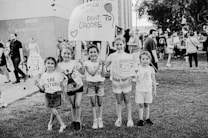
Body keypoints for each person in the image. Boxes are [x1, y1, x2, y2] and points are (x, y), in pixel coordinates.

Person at [106, 36, 134, 127]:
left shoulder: (129, 56)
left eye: (121, 44)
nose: (119, 46)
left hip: (126, 81)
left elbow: (133, 68)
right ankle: (119, 118)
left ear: (124, 45)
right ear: (114, 45)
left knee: (127, 100)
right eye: (117, 44)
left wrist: (132, 75)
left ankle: (129, 119)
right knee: (118, 101)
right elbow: (105, 66)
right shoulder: (111, 56)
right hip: (116, 81)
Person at [34, 57, 67, 133]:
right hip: (48, 95)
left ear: (55, 65)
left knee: (54, 111)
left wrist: (63, 93)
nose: (50, 65)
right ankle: (62, 124)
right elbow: (42, 89)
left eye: (52, 63)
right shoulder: (43, 76)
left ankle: (50, 124)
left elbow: (63, 83)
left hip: (57, 94)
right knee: (54, 111)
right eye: (48, 63)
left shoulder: (58, 74)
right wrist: (37, 85)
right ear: (45, 64)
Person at [57, 47, 85, 131]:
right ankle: (73, 120)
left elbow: (83, 72)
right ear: (61, 54)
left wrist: (82, 64)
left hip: (78, 85)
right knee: (73, 105)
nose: (66, 55)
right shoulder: (59, 65)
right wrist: (61, 89)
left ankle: (78, 121)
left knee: (78, 104)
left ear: (71, 54)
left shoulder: (75, 62)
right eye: (64, 53)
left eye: (68, 53)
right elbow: (60, 78)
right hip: (69, 88)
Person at [84, 45, 105, 129]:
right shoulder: (87, 63)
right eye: (91, 52)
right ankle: (95, 120)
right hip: (91, 84)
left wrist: (103, 65)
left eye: (94, 52)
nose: (93, 54)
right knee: (93, 103)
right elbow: (92, 73)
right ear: (88, 54)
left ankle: (100, 119)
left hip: (100, 84)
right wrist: (98, 65)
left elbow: (103, 74)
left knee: (100, 102)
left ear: (98, 53)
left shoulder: (101, 62)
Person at [135, 51, 156, 126]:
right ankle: (141, 119)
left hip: (148, 90)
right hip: (140, 90)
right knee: (141, 104)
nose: (145, 60)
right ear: (140, 59)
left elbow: (153, 80)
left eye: (147, 59)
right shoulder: (138, 68)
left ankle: (147, 118)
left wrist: (155, 89)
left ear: (149, 60)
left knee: (147, 104)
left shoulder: (151, 69)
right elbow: (135, 77)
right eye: (143, 59)